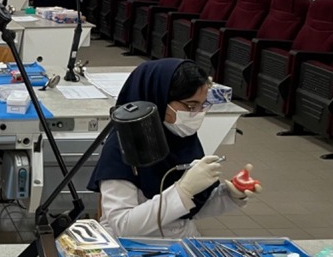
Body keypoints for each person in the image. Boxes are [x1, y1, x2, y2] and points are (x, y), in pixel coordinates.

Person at [88, 59, 260, 240]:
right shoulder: (122, 145)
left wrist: (229, 195)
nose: (198, 113)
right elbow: (123, 226)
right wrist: (183, 190)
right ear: (160, 99)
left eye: (203, 105)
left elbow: (191, 210)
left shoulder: (181, 138)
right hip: (132, 246)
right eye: (191, 106)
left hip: (181, 241)